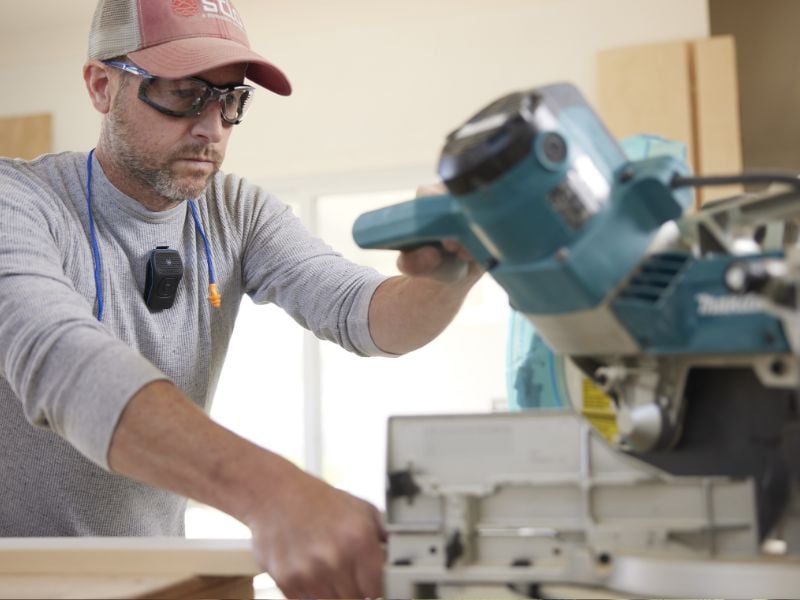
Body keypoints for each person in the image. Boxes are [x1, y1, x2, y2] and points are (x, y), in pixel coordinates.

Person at [0, 0, 482, 598]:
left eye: (230, 100)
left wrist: (451, 274)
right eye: (183, 94)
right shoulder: (16, 200)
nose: (211, 128)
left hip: (160, 579)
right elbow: (59, 362)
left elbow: (365, 314)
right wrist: (277, 495)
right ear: (102, 86)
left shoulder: (235, 211)